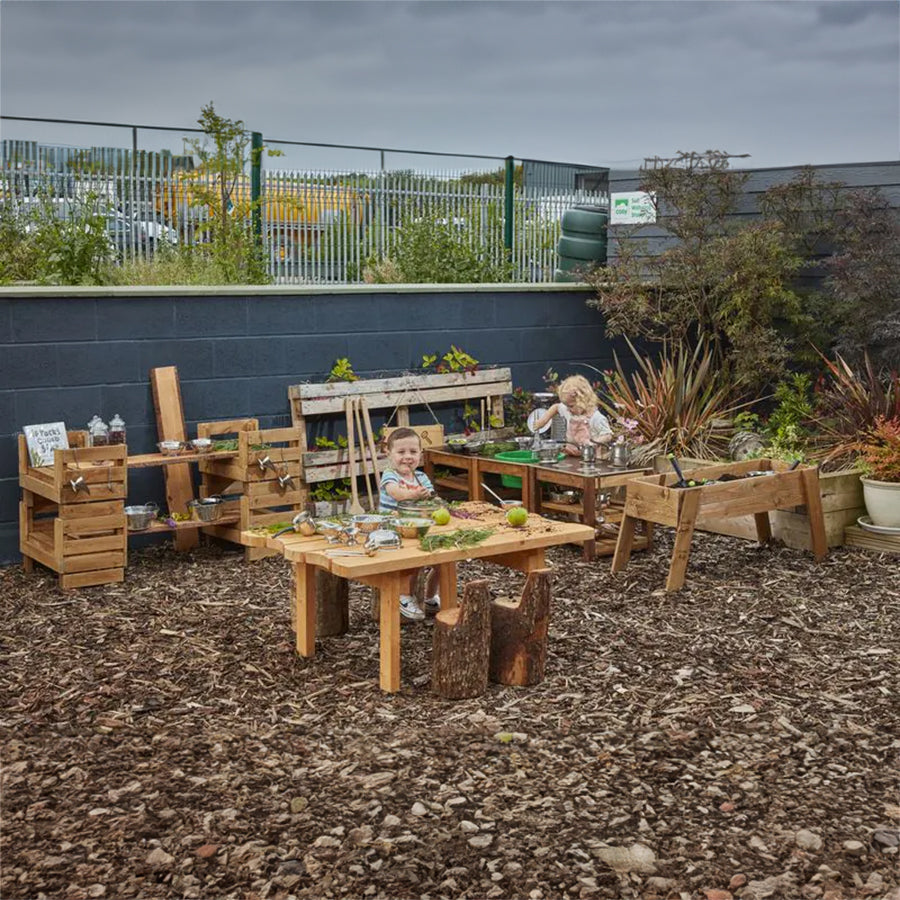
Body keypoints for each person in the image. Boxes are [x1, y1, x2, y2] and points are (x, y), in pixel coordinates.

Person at [379, 427, 441, 622]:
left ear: (420, 454)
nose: (407, 457)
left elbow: (431, 497)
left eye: (413, 452)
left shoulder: (421, 477)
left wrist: (434, 500)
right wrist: (413, 495)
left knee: (442, 561)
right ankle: (404, 597)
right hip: (393, 530)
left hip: (418, 527)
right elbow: (396, 494)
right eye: (401, 452)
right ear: (389, 453)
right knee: (411, 562)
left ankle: (430, 597)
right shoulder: (390, 475)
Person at [530, 374, 613, 457]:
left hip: (590, 458)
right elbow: (556, 407)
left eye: (571, 406)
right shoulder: (568, 410)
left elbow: (608, 435)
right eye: (566, 405)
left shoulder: (596, 418)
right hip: (571, 454)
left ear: (584, 400)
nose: (568, 409)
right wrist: (543, 421)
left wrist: (595, 442)